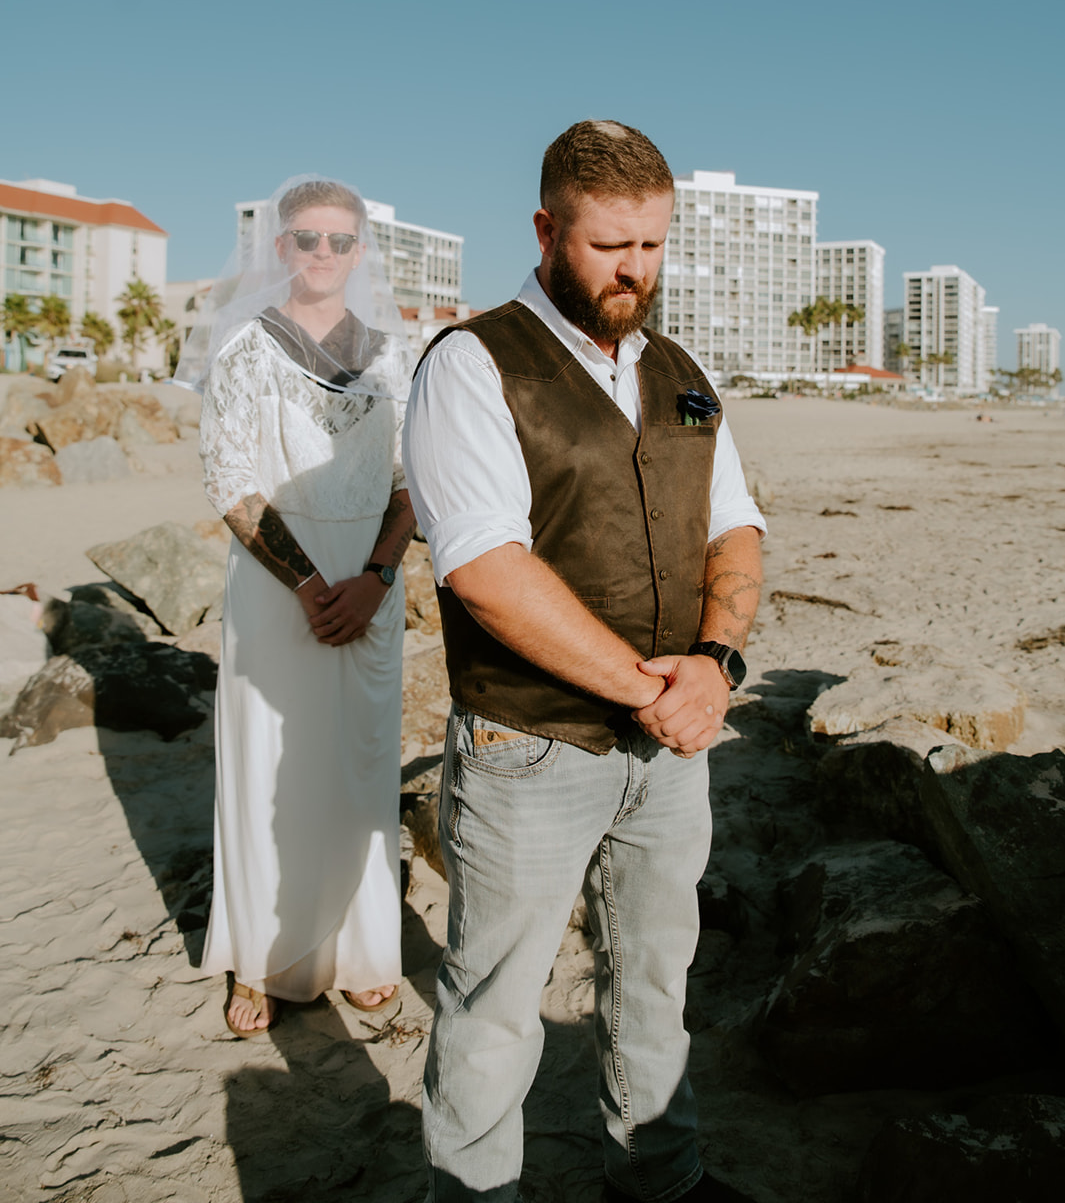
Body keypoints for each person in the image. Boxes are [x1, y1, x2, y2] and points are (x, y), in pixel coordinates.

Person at [403, 121, 766, 1203]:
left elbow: (734, 527)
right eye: (610, 246)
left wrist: (715, 662)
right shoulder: (473, 363)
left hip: (670, 749)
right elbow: (485, 569)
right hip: (528, 748)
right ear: (546, 230)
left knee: (654, 980)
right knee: (494, 1008)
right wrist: (656, 688)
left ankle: (662, 1180)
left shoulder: (682, 373)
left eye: (652, 245)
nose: (633, 270)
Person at [175, 175, 416, 1037]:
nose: (322, 253)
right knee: (267, 761)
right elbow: (229, 479)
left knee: (357, 768)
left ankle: (360, 950)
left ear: (359, 251)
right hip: (280, 590)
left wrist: (375, 579)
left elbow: (411, 481)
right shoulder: (248, 346)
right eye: (306, 238)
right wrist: (312, 586)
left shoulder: (390, 355)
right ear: (280, 247)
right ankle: (261, 959)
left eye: (338, 240)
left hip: (370, 587)